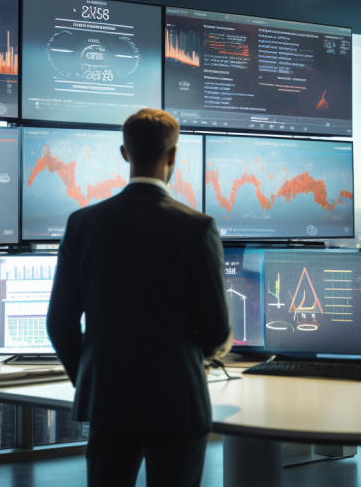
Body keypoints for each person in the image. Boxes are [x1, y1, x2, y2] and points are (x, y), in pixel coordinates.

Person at [47, 108, 231, 487]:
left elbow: (59, 323)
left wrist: (90, 380)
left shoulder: (82, 224)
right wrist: (213, 351)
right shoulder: (198, 228)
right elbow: (215, 332)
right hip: (179, 403)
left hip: (109, 402)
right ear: (173, 155)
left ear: (124, 153)